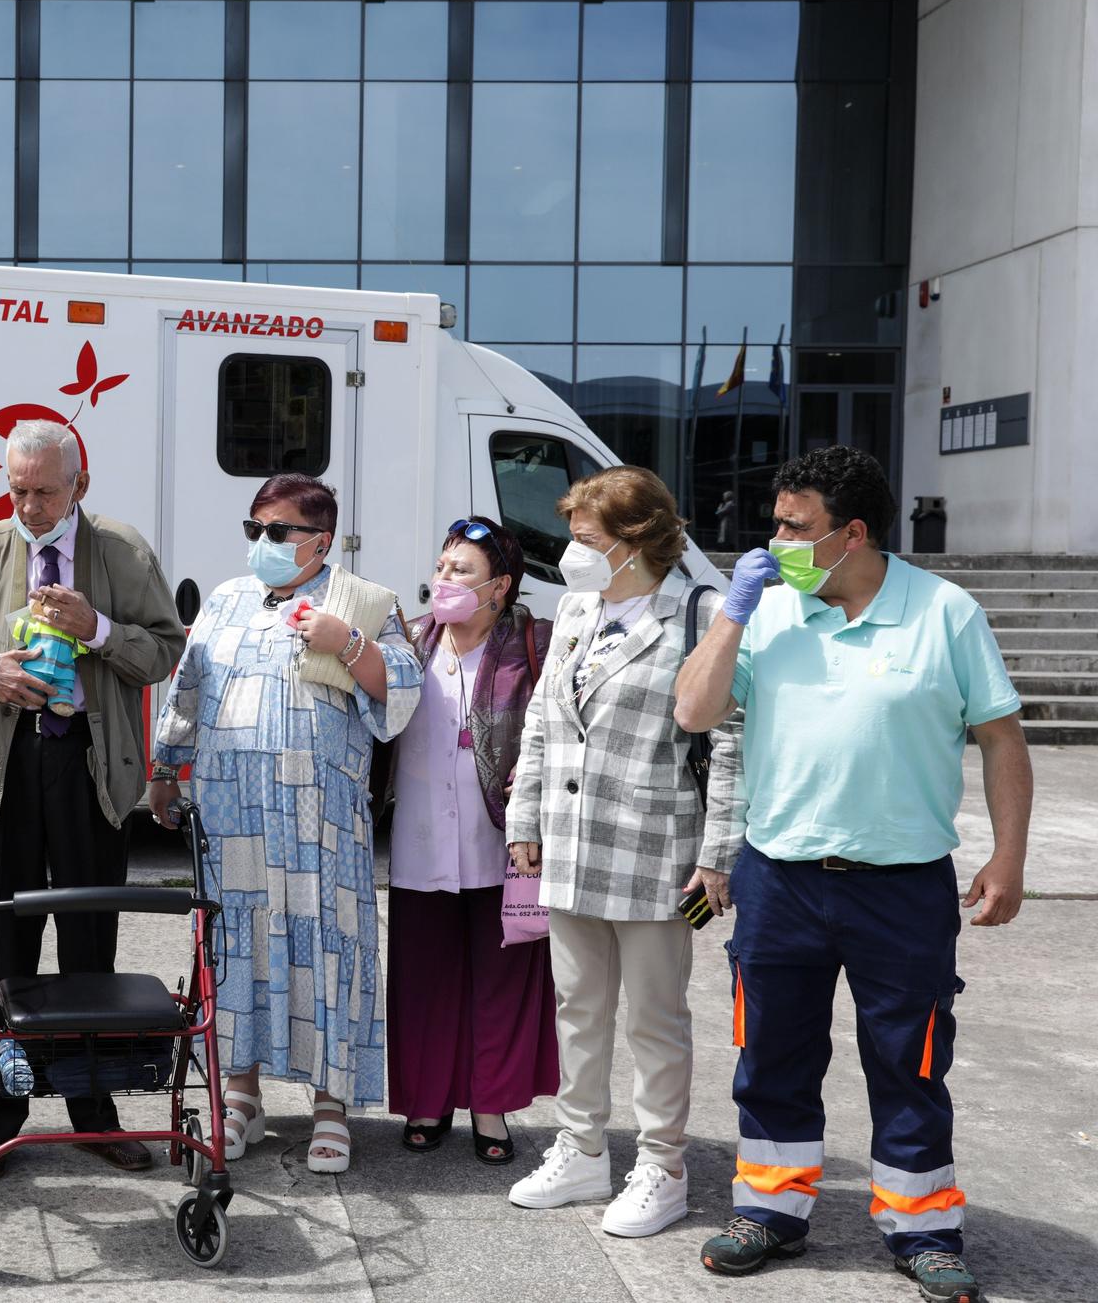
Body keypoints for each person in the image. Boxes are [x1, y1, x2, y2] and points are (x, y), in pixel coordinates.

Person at [675, 446, 1031, 1303]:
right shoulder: (768, 611)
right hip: (779, 877)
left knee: (909, 1059)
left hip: (901, 884)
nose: (777, 540)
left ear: (854, 533)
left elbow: (1001, 738)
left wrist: (1009, 856)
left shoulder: (945, 612)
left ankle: (923, 1225)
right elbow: (693, 709)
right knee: (770, 1048)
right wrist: (731, 615)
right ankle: (770, 1209)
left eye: (794, 527)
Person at [0, 419, 185, 1175]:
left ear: (80, 486)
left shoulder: (123, 551)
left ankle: (90, 1108)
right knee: (5, 942)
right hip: (4, 775)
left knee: (89, 941)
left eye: (45, 491)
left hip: (90, 772)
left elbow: (165, 648)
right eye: (17, 490)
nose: (29, 506)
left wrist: (98, 628)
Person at [150, 473, 422, 1175]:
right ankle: (240, 1095)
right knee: (237, 947)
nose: (262, 543)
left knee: (325, 947)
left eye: (278, 531)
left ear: (320, 540)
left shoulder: (359, 601)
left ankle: (332, 1103)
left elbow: (402, 695)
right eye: (255, 529)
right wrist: (163, 767)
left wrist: (349, 641)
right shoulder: (227, 599)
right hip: (230, 811)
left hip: (318, 821)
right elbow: (189, 686)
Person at [504, 466, 745, 1238]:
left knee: (655, 1016)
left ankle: (662, 1164)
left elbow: (730, 741)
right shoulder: (576, 606)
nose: (572, 552)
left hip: (657, 850)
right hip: (574, 846)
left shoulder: (694, 614)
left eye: (586, 539)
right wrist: (525, 816)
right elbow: (543, 719)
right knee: (577, 1009)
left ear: (635, 541)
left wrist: (718, 857)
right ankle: (580, 1149)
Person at [387, 516, 558, 1166]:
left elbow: (550, 734)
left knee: (504, 977)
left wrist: (534, 815)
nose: (445, 580)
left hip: (503, 839)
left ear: (501, 587)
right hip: (422, 838)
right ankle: (428, 1101)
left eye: (462, 571)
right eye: (442, 567)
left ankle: (492, 1102)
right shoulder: (411, 642)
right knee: (425, 974)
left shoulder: (529, 648)